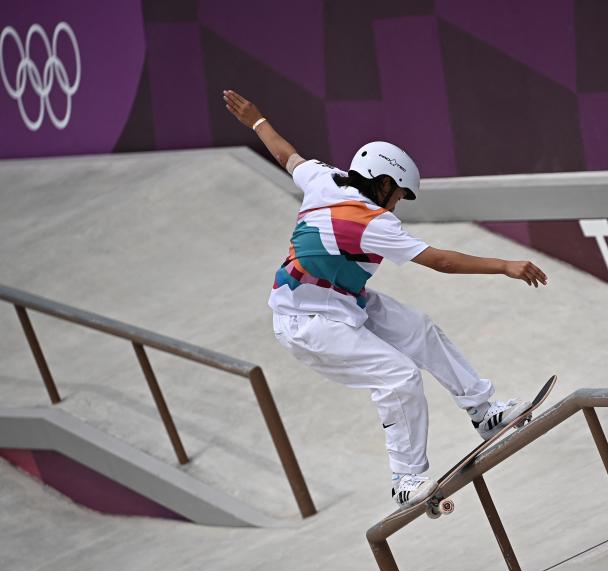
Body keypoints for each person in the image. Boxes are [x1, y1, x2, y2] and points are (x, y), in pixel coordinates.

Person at [222, 89, 549, 509]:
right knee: (398, 377)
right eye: (398, 196)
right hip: (307, 323)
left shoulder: (324, 178)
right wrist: (504, 265)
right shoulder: (371, 221)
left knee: (420, 330)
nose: (398, 206)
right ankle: (405, 480)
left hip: (343, 300)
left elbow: (288, 156)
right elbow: (442, 262)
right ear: (382, 184)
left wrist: (256, 120)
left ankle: (484, 412)